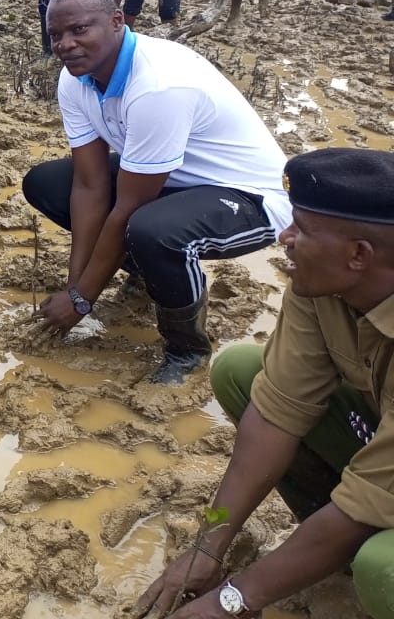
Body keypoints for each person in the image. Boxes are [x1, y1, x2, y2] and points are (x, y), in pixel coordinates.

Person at [133, 147, 394, 619]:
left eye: (302, 230)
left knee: (384, 569)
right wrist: (208, 547)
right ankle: (327, 549)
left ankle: (350, 553)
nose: (283, 237)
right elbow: (278, 415)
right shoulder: (324, 283)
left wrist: (232, 600)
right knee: (242, 372)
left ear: (359, 254)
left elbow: (370, 495)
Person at [23, 0, 291, 384]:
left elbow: (127, 207)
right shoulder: (75, 78)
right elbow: (89, 186)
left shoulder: (158, 85)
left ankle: (188, 349)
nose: (66, 44)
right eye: (56, 35)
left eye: (79, 29)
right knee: (46, 183)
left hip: (249, 197)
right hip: (170, 181)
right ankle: (147, 273)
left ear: (117, 21)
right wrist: (75, 288)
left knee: (151, 230)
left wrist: (81, 301)